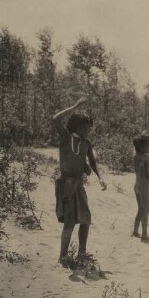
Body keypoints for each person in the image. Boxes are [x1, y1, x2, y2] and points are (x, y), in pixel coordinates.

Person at [53, 97, 107, 267]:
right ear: (77, 126)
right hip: (66, 185)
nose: (89, 131)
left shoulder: (86, 143)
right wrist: (75, 106)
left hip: (79, 186)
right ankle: (63, 256)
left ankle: (82, 252)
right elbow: (55, 119)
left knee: (85, 219)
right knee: (69, 222)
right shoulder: (66, 138)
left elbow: (92, 161)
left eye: (90, 128)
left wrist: (100, 177)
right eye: (87, 128)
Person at [132, 134, 149, 241]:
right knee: (146, 210)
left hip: (136, 185)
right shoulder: (146, 158)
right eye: (148, 145)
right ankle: (144, 234)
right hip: (144, 186)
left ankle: (135, 231)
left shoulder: (135, 157)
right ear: (142, 147)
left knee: (140, 209)